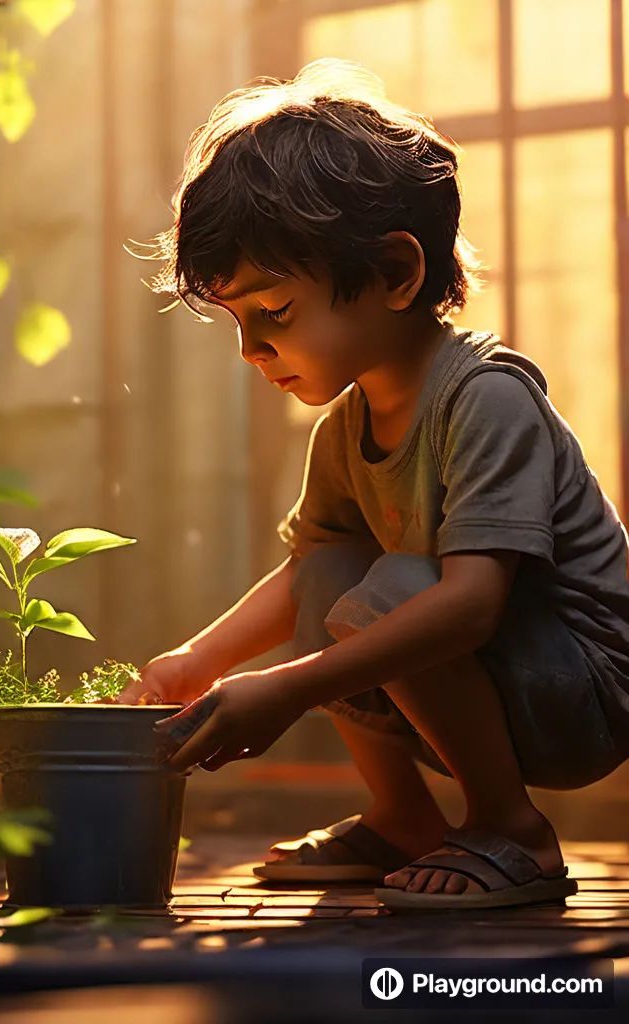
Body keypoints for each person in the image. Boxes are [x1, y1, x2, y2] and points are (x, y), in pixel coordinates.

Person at [119, 59, 629, 911]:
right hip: (496, 680)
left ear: (396, 273)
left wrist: (286, 687)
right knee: (334, 575)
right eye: (237, 322)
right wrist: (196, 664)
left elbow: (469, 605)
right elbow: (305, 578)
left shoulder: (487, 398)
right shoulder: (346, 428)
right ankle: (404, 816)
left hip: (582, 691)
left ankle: (515, 829)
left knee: (385, 590)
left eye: (273, 313)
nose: (251, 350)